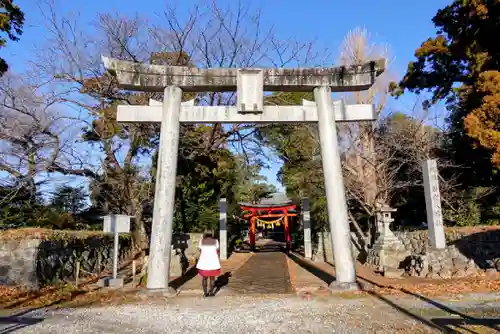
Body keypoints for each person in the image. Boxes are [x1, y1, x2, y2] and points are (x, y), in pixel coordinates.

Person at [196, 232, 221, 297]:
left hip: (204, 262)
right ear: (212, 234)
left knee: (204, 278)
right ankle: (212, 293)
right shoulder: (215, 241)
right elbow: (217, 249)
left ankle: (205, 293)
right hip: (213, 262)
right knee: (212, 278)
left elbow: (199, 249)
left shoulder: (202, 241)